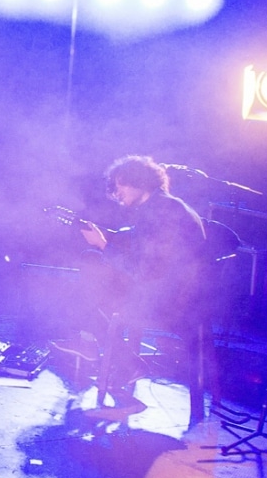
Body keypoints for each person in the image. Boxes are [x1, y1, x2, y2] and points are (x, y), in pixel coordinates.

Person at [73, 155, 208, 418]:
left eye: (120, 184)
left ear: (138, 181)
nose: (116, 193)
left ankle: (114, 358)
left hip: (169, 303)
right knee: (91, 281)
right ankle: (108, 355)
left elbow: (143, 270)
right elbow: (144, 251)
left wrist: (103, 245)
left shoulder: (160, 212)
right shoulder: (165, 206)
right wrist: (106, 240)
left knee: (87, 286)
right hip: (176, 294)